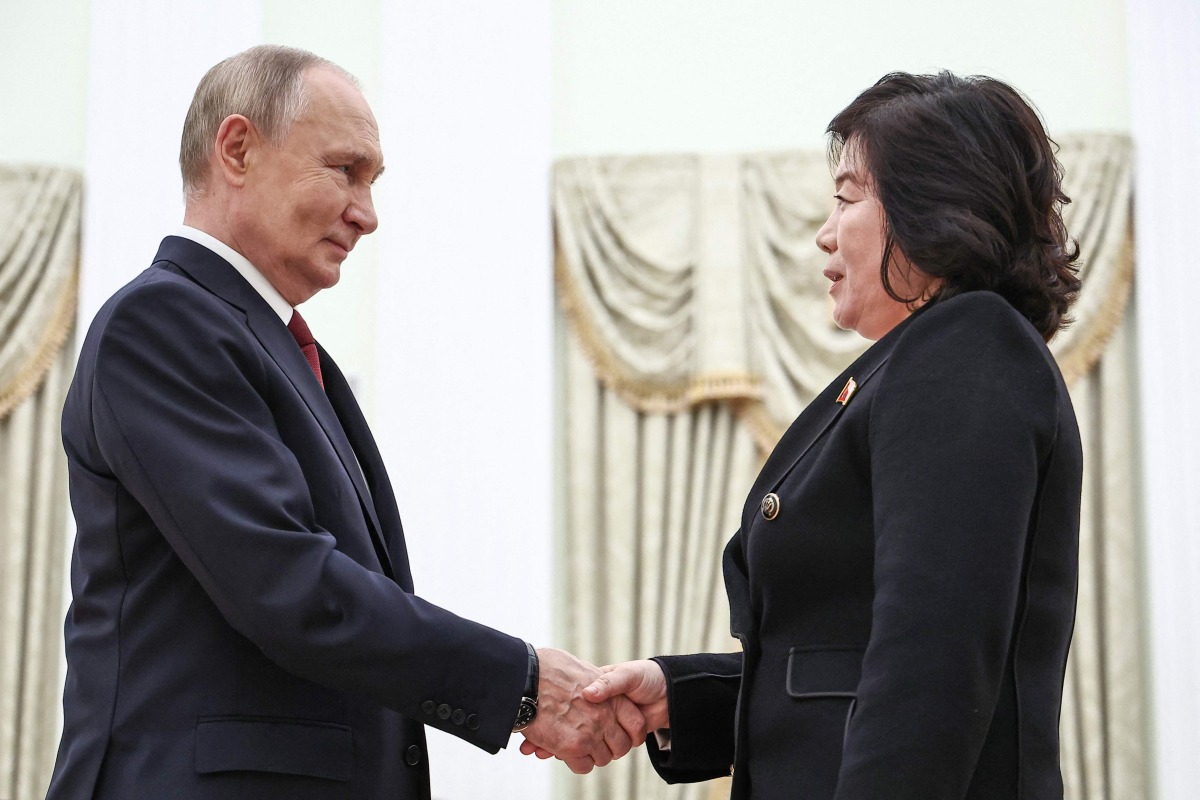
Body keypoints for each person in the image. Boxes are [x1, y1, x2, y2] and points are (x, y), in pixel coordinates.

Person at [48, 44, 640, 799]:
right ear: (237, 149)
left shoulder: (285, 348)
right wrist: (523, 684)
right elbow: (289, 586)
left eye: (373, 181)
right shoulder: (162, 321)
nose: (367, 214)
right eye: (345, 170)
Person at [562, 71, 1085, 799]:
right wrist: (679, 696)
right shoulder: (925, 359)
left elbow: (928, 667)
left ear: (929, 206)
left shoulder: (965, 350)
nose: (825, 230)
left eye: (846, 198)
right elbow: (844, 661)